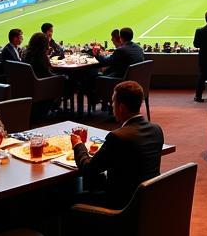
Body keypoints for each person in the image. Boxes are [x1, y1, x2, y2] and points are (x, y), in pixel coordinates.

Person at [70, 80, 164, 208]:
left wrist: (78, 144)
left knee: (68, 198)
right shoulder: (156, 129)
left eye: (113, 102)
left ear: (121, 107)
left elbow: (88, 169)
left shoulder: (117, 137)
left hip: (121, 205)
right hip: (147, 199)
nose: (112, 106)